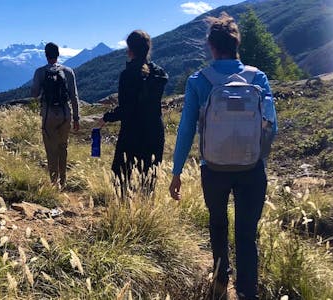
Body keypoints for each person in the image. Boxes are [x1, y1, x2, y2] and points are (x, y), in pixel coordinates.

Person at [169, 12, 278, 300]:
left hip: (213, 169)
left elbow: (186, 130)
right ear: (236, 44)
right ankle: (246, 293)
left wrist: (176, 171)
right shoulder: (258, 77)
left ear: (211, 47)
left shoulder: (198, 80)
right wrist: (258, 160)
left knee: (218, 225)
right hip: (252, 168)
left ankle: (219, 287)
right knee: (246, 234)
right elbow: (271, 126)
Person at [98, 30, 168, 198]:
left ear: (130, 49)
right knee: (149, 179)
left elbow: (126, 108)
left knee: (120, 176)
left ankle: (124, 214)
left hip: (132, 133)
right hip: (154, 132)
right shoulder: (159, 74)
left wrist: (106, 118)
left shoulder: (128, 75)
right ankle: (145, 214)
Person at [32, 42, 80, 188]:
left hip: (48, 115)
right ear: (58, 54)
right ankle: (63, 181)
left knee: (51, 149)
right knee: (62, 147)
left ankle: (54, 183)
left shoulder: (40, 72)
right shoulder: (68, 71)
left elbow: (34, 94)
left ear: (46, 55)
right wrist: (76, 118)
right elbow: (74, 96)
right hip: (65, 114)